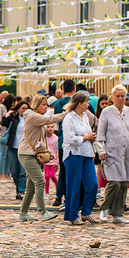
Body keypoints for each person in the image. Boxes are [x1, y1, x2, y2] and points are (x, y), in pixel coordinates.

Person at [96, 85, 129, 224]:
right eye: (117, 96)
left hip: (127, 153)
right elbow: (100, 134)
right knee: (114, 183)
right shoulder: (106, 112)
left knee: (124, 183)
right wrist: (101, 150)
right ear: (112, 97)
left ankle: (118, 213)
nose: (120, 98)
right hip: (111, 153)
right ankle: (105, 208)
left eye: (122, 96)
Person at [18, 94, 67, 221]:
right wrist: (67, 113)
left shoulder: (35, 117)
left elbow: (40, 139)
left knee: (31, 186)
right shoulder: (34, 116)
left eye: (46, 105)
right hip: (26, 154)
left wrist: (47, 152)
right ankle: (43, 212)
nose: (46, 107)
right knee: (40, 181)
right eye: (43, 105)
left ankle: (23, 213)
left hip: (31, 154)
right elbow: (51, 119)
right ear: (36, 105)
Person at [62, 91, 99, 225]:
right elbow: (69, 138)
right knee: (74, 185)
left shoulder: (84, 117)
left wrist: (91, 137)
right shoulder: (69, 118)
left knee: (92, 184)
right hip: (74, 155)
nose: (88, 104)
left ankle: (86, 212)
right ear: (79, 103)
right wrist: (85, 137)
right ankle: (72, 215)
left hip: (87, 154)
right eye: (86, 102)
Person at [0, 98, 29, 201]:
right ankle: (18, 188)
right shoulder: (14, 118)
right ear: (18, 109)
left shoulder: (30, 119)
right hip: (13, 146)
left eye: (26, 108)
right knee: (14, 170)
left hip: (25, 149)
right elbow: (3, 123)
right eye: (23, 108)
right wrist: (8, 114)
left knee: (23, 171)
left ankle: (21, 190)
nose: (24, 110)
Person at [53, 78, 75, 207]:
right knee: (72, 170)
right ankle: (69, 197)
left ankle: (58, 196)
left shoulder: (58, 103)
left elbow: (57, 120)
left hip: (62, 139)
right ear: (74, 89)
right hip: (73, 140)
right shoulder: (76, 101)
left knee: (62, 169)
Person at [0, 92, 14, 180]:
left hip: (6, 133)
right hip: (1, 133)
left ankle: (6, 173)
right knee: (3, 154)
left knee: (6, 154)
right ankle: (1, 173)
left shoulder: (6, 108)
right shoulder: (1, 107)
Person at [43, 124, 59, 193]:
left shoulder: (56, 139)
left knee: (52, 175)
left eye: (51, 127)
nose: (50, 129)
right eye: (48, 127)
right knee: (46, 176)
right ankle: (46, 192)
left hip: (54, 160)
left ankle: (58, 188)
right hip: (46, 160)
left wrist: (57, 161)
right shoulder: (43, 138)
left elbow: (57, 150)